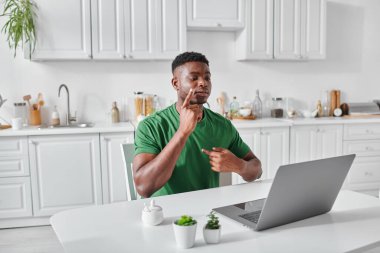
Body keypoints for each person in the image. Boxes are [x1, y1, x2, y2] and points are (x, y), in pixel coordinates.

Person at [133, 52, 262, 198]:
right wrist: (182, 132)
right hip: (166, 215)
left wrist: (240, 165)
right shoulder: (151, 126)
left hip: (210, 213)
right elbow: (143, 188)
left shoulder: (223, 125)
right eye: (194, 78)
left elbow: (257, 170)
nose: (203, 83)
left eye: (207, 77)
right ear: (176, 83)